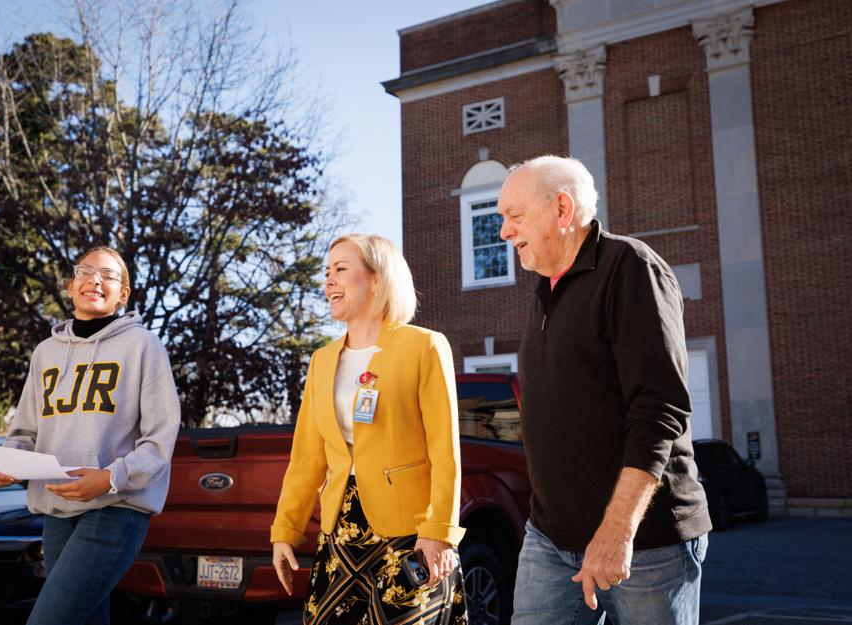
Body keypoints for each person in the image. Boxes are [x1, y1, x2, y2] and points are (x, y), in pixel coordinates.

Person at [497, 156, 711, 625]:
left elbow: (659, 409)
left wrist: (617, 531)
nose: (504, 232)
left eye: (514, 215)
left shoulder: (631, 268)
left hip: (644, 543)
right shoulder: (543, 293)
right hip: (550, 539)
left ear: (562, 209)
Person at [271, 234, 468, 625]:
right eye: (327, 272)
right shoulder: (322, 360)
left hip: (411, 532)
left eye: (341, 270)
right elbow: (307, 457)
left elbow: (444, 449)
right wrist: (285, 529)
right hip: (341, 531)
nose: (329, 281)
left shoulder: (424, 346)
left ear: (377, 279)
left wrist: (440, 532)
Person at [0, 246, 180, 625]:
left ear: (123, 294)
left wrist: (109, 478)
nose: (95, 280)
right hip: (56, 512)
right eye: (86, 272)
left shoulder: (143, 346)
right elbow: (25, 431)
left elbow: (160, 439)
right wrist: (5, 463)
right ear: (71, 286)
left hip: (115, 509)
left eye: (108, 276)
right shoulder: (45, 353)